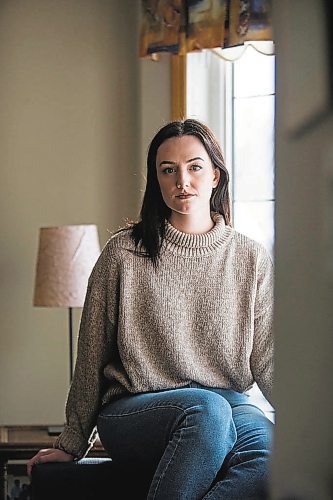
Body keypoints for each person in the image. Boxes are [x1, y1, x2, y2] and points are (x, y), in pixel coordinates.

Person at [27, 119, 274, 499]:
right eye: (168, 170)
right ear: (155, 180)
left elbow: (269, 360)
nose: (182, 181)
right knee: (206, 412)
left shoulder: (251, 258)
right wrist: (72, 441)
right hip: (136, 410)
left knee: (269, 452)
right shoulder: (123, 253)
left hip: (230, 405)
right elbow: (93, 354)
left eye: (194, 167)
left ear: (215, 176)